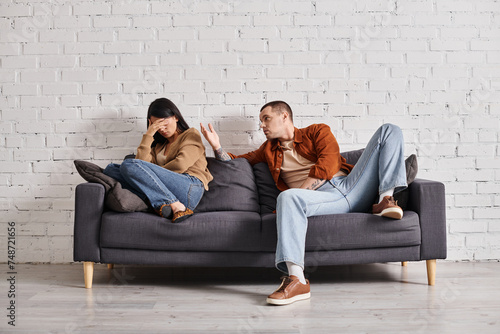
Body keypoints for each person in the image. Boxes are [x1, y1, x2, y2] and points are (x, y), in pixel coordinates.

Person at [200, 101, 407, 305]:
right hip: (321, 200)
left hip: (350, 185)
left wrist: (299, 192)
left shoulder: (317, 131)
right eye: (260, 121)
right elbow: (238, 162)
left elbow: (329, 163)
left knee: (389, 130)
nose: (261, 125)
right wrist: (217, 146)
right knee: (287, 197)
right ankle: (297, 279)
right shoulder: (267, 150)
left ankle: (384, 199)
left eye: (266, 119)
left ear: (284, 116)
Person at [104, 98, 213, 223]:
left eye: (163, 122)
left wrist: (150, 174)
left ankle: (170, 204)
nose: (161, 128)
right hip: (168, 190)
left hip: (190, 187)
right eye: (156, 125)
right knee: (111, 169)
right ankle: (165, 205)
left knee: (129, 165)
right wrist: (149, 134)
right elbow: (141, 166)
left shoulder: (190, 134)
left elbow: (180, 165)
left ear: (176, 117)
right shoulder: (158, 147)